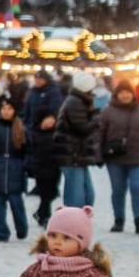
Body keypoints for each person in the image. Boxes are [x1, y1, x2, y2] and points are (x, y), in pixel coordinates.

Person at [95, 80, 139, 234]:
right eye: (122, 92)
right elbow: (99, 135)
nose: (125, 95)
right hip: (115, 158)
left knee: (137, 188)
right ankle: (118, 220)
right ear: (117, 94)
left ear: (132, 94)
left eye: (128, 92)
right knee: (118, 190)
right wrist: (98, 155)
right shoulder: (107, 112)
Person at [0, 100, 30, 242]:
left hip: (16, 170)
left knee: (17, 204)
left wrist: (25, 165)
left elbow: (28, 150)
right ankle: (1, 232)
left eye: (9, 108)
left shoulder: (21, 130)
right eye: (3, 109)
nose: (6, 111)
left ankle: (22, 229)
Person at [56, 72, 100, 208]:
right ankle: (73, 222)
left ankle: (80, 220)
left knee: (87, 194)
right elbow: (81, 128)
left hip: (77, 154)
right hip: (72, 153)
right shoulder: (76, 102)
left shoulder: (79, 100)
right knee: (76, 196)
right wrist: (97, 119)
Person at [26, 108, 61, 228]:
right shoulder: (34, 134)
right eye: (47, 120)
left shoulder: (57, 133)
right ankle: (45, 216)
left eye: (52, 120)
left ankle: (40, 214)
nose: (49, 123)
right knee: (45, 194)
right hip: (40, 167)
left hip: (54, 167)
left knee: (51, 193)